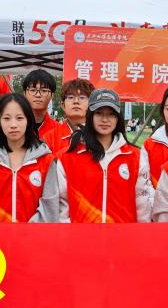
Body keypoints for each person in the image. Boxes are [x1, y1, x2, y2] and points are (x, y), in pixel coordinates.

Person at [58, 88, 152, 223]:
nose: (105, 119)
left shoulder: (135, 157)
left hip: (124, 235)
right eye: (99, 113)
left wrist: (140, 234)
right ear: (90, 115)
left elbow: (143, 205)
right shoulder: (67, 157)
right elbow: (62, 207)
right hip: (79, 236)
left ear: (118, 118)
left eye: (111, 114)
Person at [0, 92, 59, 222]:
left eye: (19, 118)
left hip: (33, 234)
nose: (13, 124)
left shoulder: (46, 161)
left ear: (28, 120)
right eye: (7, 118)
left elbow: (50, 206)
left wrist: (28, 231)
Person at [22, 68, 63, 152]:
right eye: (33, 90)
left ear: (52, 95)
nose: (38, 95)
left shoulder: (60, 130)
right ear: (25, 94)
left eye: (44, 90)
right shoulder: (15, 127)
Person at [55, 78, 94, 153]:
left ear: (91, 104)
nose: (76, 101)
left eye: (82, 97)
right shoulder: (49, 138)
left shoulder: (101, 136)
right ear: (62, 105)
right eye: (71, 97)